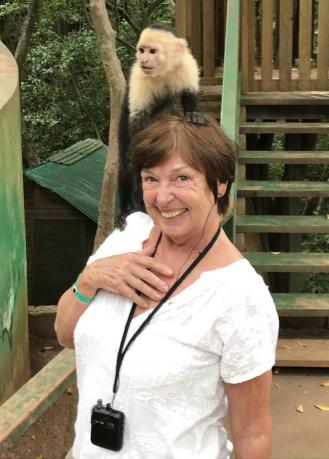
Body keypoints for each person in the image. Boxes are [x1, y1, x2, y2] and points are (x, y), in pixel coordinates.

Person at [55, 115, 279, 459]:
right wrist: (91, 278)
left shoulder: (240, 295)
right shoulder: (128, 234)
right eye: (151, 179)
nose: (162, 197)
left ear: (219, 183)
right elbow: (64, 334)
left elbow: (252, 433)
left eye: (182, 178)